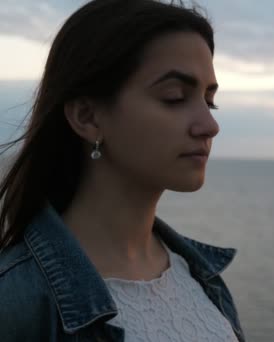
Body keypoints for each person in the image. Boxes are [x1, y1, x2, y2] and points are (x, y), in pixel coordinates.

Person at [0, 0, 246, 341]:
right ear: (87, 117)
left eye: (209, 100)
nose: (210, 125)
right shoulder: (18, 302)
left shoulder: (200, 274)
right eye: (174, 97)